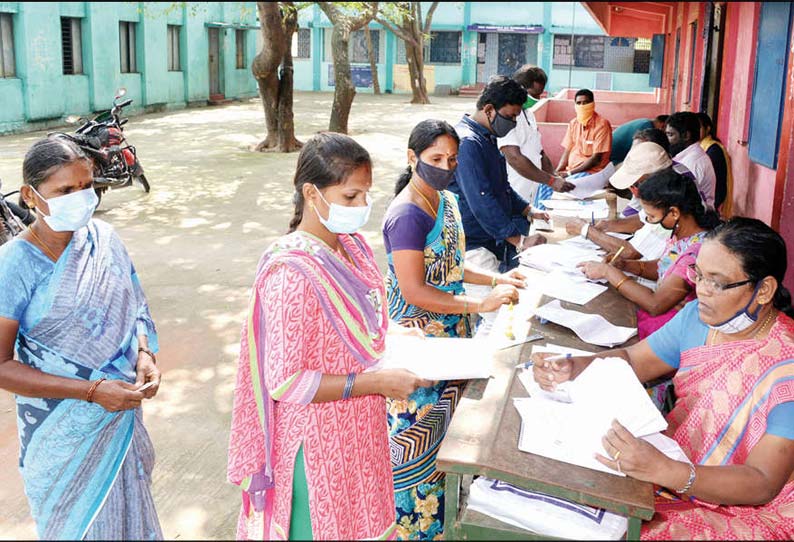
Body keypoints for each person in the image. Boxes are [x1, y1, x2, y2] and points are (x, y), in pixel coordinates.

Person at [532, 217, 794, 539]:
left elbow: (763, 482)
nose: (702, 291)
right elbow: (632, 359)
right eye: (698, 275)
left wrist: (666, 471)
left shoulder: (786, 368)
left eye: (718, 282)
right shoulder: (697, 319)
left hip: (751, 507)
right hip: (671, 462)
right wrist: (579, 365)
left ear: (764, 289)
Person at [227, 132, 431, 540]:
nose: (362, 209)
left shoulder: (349, 248)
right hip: (317, 446)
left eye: (366, 197)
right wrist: (378, 382)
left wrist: (392, 333)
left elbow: (355, 322)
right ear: (311, 194)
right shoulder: (291, 273)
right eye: (351, 197)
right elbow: (287, 381)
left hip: (358, 432)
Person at [0, 136, 162, 539]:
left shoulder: (105, 240)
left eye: (87, 186)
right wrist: (91, 391)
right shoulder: (14, 265)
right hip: (61, 436)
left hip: (120, 415)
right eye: (65, 191)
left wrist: (145, 354)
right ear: (30, 196)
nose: (81, 198)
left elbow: (136, 306)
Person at [382, 119, 522, 539]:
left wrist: (498, 281)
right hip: (421, 347)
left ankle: (439, 527)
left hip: (453, 341)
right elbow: (417, 291)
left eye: (452, 159)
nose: (446, 167)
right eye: (435, 159)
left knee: (446, 440)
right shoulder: (406, 215)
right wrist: (481, 303)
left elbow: (453, 268)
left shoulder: (444, 200)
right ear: (412, 158)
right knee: (416, 449)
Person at [446, 75, 548, 325]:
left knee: (497, 312)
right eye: (511, 116)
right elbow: (482, 201)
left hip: (487, 240)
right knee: (499, 317)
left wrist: (527, 209)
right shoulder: (468, 143)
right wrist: (520, 240)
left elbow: (501, 187)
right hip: (472, 245)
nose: (513, 123)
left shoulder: (488, 139)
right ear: (489, 110)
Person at [578, 169, 721, 340]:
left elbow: (655, 304)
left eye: (652, 216)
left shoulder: (697, 252)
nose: (649, 222)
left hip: (676, 329)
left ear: (674, 212)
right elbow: (664, 267)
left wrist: (607, 272)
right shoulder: (682, 235)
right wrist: (625, 265)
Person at [565, 142, 676, 264]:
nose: (634, 192)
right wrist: (607, 225)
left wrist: (586, 230)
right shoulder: (662, 193)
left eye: (635, 185)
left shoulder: (669, 206)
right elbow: (642, 218)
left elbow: (631, 252)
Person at [498, 65, 574, 209]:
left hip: (530, 192)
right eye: (534, 94)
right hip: (513, 191)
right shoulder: (507, 117)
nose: (538, 99)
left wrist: (554, 175)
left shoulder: (529, 115)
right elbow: (515, 158)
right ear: (519, 89)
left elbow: (540, 153)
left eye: (540, 95)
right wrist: (551, 181)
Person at [556, 88, 613, 178]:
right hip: (572, 170)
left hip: (592, 172)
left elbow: (596, 159)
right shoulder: (573, 123)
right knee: (546, 183)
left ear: (592, 104)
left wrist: (569, 173)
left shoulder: (602, 125)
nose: (582, 106)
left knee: (563, 185)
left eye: (585, 103)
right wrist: (557, 171)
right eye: (578, 103)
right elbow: (567, 150)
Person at [665, 112, 716, 209]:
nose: (667, 140)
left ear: (686, 136)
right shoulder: (688, 157)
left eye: (670, 135)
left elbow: (680, 201)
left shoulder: (692, 162)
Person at [697, 112, 733, 216]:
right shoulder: (700, 147)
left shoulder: (713, 150)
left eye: (698, 128)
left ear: (707, 128)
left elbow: (717, 182)